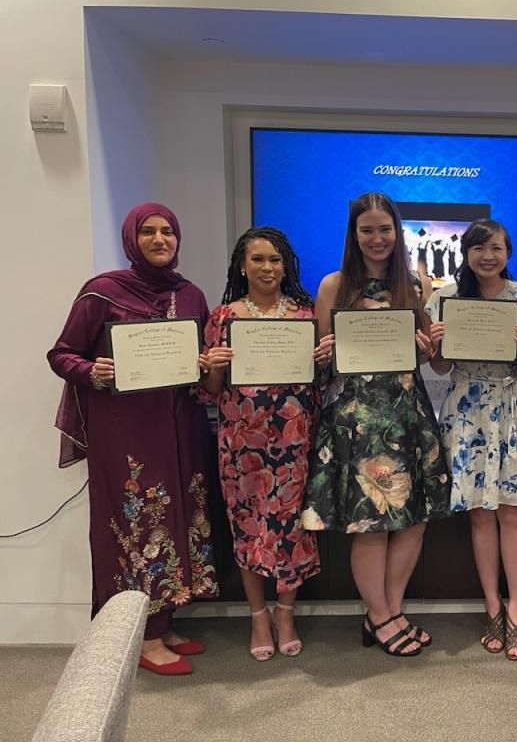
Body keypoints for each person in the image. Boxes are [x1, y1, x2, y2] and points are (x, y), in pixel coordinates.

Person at [47, 203, 218, 676]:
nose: (160, 239)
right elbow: (61, 353)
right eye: (148, 231)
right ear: (131, 238)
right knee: (139, 521)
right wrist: (92, 370)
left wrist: (205, 363)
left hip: (179, 425)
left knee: (180, 515)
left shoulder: (190, 295)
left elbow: (197, 355)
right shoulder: (102, 293)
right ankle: (141, 636)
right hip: (126, 433)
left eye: (168, 231)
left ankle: (165, 619)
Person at [301, 192, 451, 657]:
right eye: (367, 229)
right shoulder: (332, 286)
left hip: (407, 415)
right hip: (356, 419)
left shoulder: (415, 284)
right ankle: (384, 616)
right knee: (370, 522)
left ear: (396, 232)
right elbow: (318, 370)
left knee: (411, 521)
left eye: (384, 229)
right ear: (354, 234)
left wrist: (435, 347)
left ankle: (387, 610)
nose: (377, 238)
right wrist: (321, 357)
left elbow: (440, 367)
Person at [199, 227, 334, 661]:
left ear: (286, 266)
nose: (267, 268)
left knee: (290, 528)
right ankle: (258, 615)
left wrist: (322, 362)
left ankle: (286, 612)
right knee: (248, 526)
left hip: (294, 442)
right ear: (243, 265)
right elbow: (208, 390)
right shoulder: (223, 317)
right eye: (257, 259)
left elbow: (322, 383)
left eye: (275, 260)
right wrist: (215, 366)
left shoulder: (304, 314)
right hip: (241, 444)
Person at [426, 219, 517, 661]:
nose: (487, 256)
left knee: (514, 516)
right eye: (479, 248)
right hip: (466, 410)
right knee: (481, 516)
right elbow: (440, 369)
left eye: (496, 248)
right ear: (466, 253)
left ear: (508, 252)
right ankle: (492, 607)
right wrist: (435, 348)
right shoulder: (444, 299)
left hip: (512, 409)